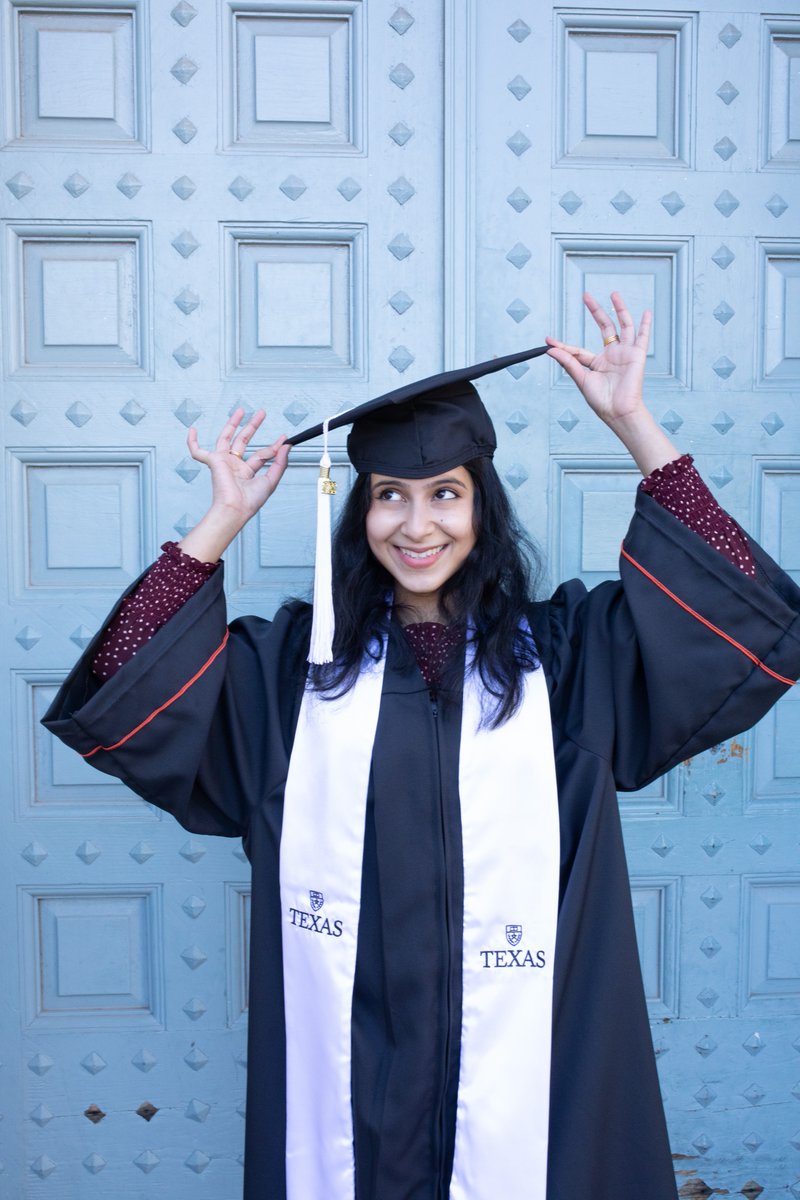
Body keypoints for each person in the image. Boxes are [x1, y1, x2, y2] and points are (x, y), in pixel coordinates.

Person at [44, 293, 800, 1200]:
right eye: (389, 496)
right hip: (353, 1064)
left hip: (536, 1063)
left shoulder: (566, 661)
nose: (416, 525)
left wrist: (635, 423)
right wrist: (221, 522)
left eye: (446, 493)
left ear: (482, 509)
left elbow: (741, 623)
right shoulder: (292, 674)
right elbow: (122, 687)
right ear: (358, 513)